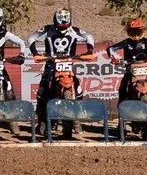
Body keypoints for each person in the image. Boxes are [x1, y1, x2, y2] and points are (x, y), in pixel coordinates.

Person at [28, 8, 96, 141]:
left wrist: (90, 49)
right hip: (51, 64)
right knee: (42, 92)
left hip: (68, 64)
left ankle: (76, 119)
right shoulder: (47, 29)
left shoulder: (74, 31)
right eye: (60, 27)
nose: (62, 30)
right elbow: (31, 38)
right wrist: (35, 52)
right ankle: (42, 121)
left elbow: (89, 36)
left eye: (65, 27)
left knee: (78, 89)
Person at [110, 16, 147, 139]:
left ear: (142, 30)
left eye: (138, 31)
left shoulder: (146, 42)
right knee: (122, 89)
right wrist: (113, 58)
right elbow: (111, 48)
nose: (136, 34)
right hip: (130, 69)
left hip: (144, 68)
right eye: (133, 31)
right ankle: (122, 123)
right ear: (128, 31)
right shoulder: (126, 42)